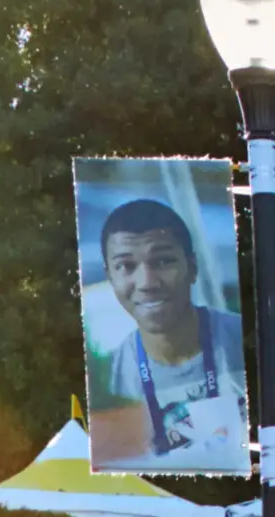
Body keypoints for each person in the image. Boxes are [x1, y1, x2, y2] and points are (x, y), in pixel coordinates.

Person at [90, 196, 253, 469]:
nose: (147, 283)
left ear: (193, 267)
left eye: (163, 261)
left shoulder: (248, 342)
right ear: (110, 278)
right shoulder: (113, 379)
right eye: (125, 267)